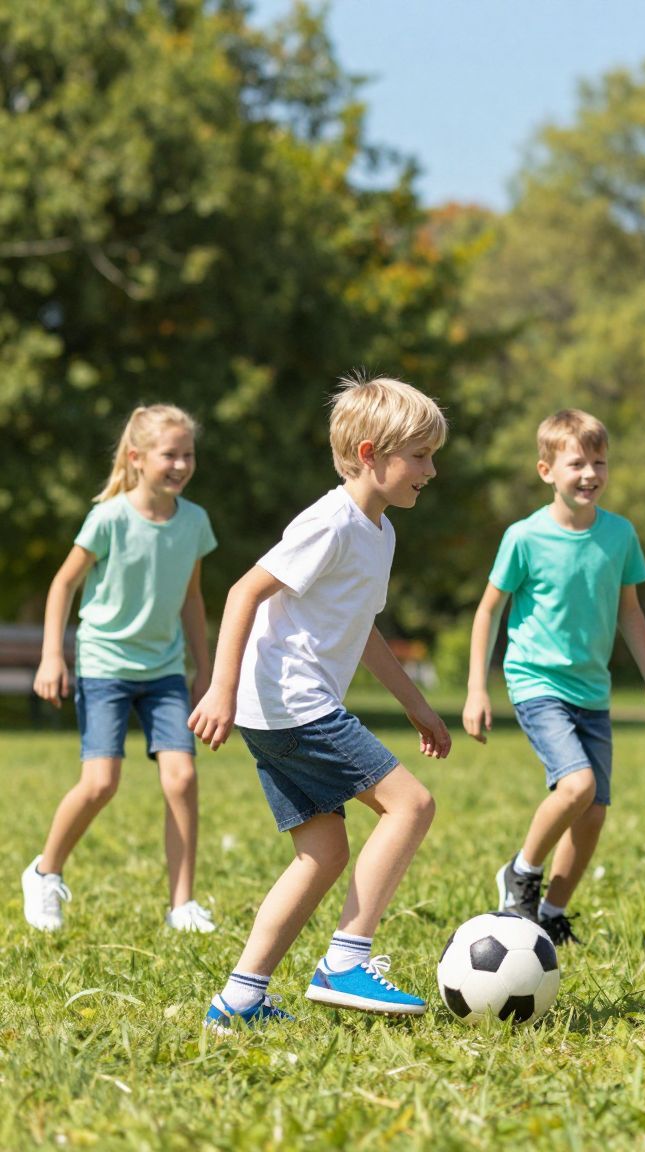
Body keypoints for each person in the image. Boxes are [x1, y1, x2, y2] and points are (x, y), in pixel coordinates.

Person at [188, 374, 450, 1031]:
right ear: (370, 454)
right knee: (411, 805)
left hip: (277, 712)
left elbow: (362, 631)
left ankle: (239, 1000)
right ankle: (345, 960)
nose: (431, 469)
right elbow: (245, 592)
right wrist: (219, 688)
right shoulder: (330, 523)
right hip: (292, 704)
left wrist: (417, 705)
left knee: (323, 853)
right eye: (418, 455)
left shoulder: (379, 532)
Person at [465, 409, 645, 947]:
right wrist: (476, 687)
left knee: (594, 813)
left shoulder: (620, 535)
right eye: (576, 462)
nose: (590, 473)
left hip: (592, 690)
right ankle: (522, 872)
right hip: (536, 680)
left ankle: (551, 912)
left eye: (599, 462)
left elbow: (630, 612)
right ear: (546, 470)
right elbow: (489, 610)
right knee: (577, 785)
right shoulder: (524, 537)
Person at [25, 405, 217, 934]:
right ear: (136, 458)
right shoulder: (109, 517)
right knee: (100, 783)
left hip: (164, 671)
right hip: (105, 665)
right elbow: (63, 584)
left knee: (181, 778)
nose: (180, 464)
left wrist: (207, 670)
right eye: (169, 455)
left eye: (188, 454)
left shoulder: (195, 521)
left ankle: (182, 904)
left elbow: (193, 599)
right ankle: (44, 872)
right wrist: (50, 656)